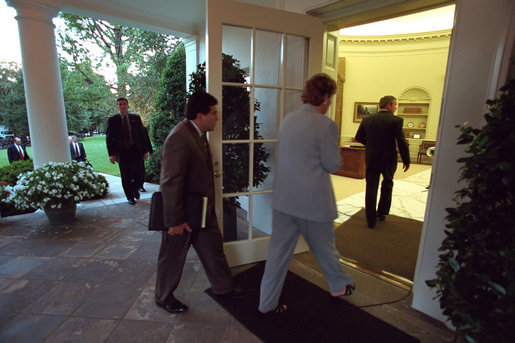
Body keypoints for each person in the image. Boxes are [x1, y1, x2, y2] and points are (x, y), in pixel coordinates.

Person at [258, 73, 355, 315]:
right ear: (324, 97)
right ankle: (339, 285)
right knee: (325, 248)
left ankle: (266, 304)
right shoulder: (326, 125)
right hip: (313, 204)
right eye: (330, 97)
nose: (330, 102)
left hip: (284, 200)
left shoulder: (288, 120)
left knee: (277, 255)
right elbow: (333, 164)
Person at [155, 92, 245, 314]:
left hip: (202, 211)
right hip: (182, 215)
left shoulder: (197, 133)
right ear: (199, 115)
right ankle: (163, 297)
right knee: (172, 258)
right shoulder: (179, 137)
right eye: (213, 113)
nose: (217, 118)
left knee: (213, 249)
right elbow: (170, 182)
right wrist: (175, 221)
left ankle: (224, 288)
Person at [355, 95, 410, 229]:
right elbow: (401, 142)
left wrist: (372, 145)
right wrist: (406, 159)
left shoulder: (367, 119)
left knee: (371, 186)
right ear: (389, 105)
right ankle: (382, 212)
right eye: (395, 105)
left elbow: (358, 137)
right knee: (387, 184)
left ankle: (370, 219)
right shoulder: (396, 121)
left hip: (372, 157)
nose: (396, 108)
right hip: (388, 158)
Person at [106, 97, 148, 205]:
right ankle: (130, 197)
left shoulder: (136, 118)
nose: (122, 106)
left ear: (128, 105)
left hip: (135, 150)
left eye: (124, 104)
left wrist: (145, 150)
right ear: (117, 106)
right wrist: (111, 154)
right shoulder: (113, 120)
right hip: (122, 152)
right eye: (120, 104)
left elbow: (142, 135)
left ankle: (135, 188)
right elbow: (109, 138)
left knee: (139, 174)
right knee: (126, 175)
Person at [136, 127, 153, 192]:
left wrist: (150, 151)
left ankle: (140, 185)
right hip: (129, 153)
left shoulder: (142, 129)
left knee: (141, 170)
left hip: (140, 152)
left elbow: (146, 140)